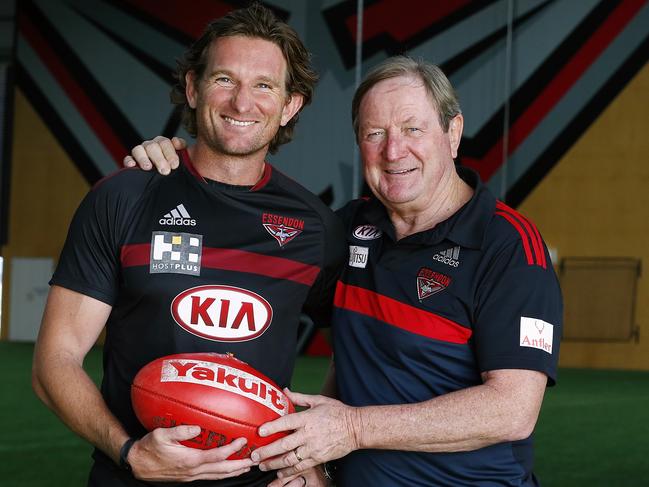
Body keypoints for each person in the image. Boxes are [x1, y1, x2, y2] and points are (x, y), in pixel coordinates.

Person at [134, 56, 562, 486]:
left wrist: (351, 429)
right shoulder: (348, 229)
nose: (393, 151)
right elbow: (243, 255)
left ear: (452, 133)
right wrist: (181, 169)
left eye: (413, 129)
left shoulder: (508, 247)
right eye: (375, 134)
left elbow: (512, 411)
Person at [32, 4, 344, 487]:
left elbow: (362, 346)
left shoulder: (314, 227)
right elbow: (55, 359)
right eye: (225, 79)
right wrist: (130, 453)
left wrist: (315, 455)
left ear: (290, 105)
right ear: (194, 89)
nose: (243, 103)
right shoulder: (126, 196)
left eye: (264, 85)